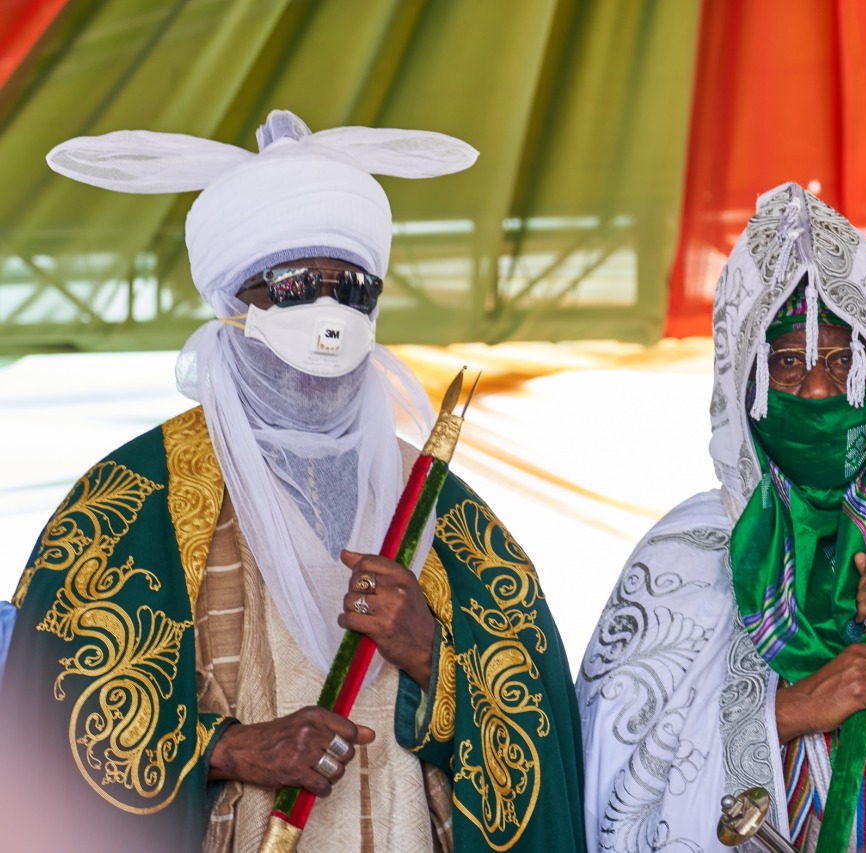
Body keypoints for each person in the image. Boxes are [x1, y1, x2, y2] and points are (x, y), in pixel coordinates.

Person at [0, 110, 586, 853]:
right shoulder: (128, 503)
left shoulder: (450, 517)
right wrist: (229, 747)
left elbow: (539, 716)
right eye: (295, 284)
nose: (329, 312)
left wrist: (434, 659)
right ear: (232, 302)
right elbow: (45, 724)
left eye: (354, 289)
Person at [576, 182, 866, 852]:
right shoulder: (683, 556)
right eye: (787, 364)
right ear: (746, 386)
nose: (822, 389)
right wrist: (782, 713)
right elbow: (605, 781)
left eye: (841, 361)